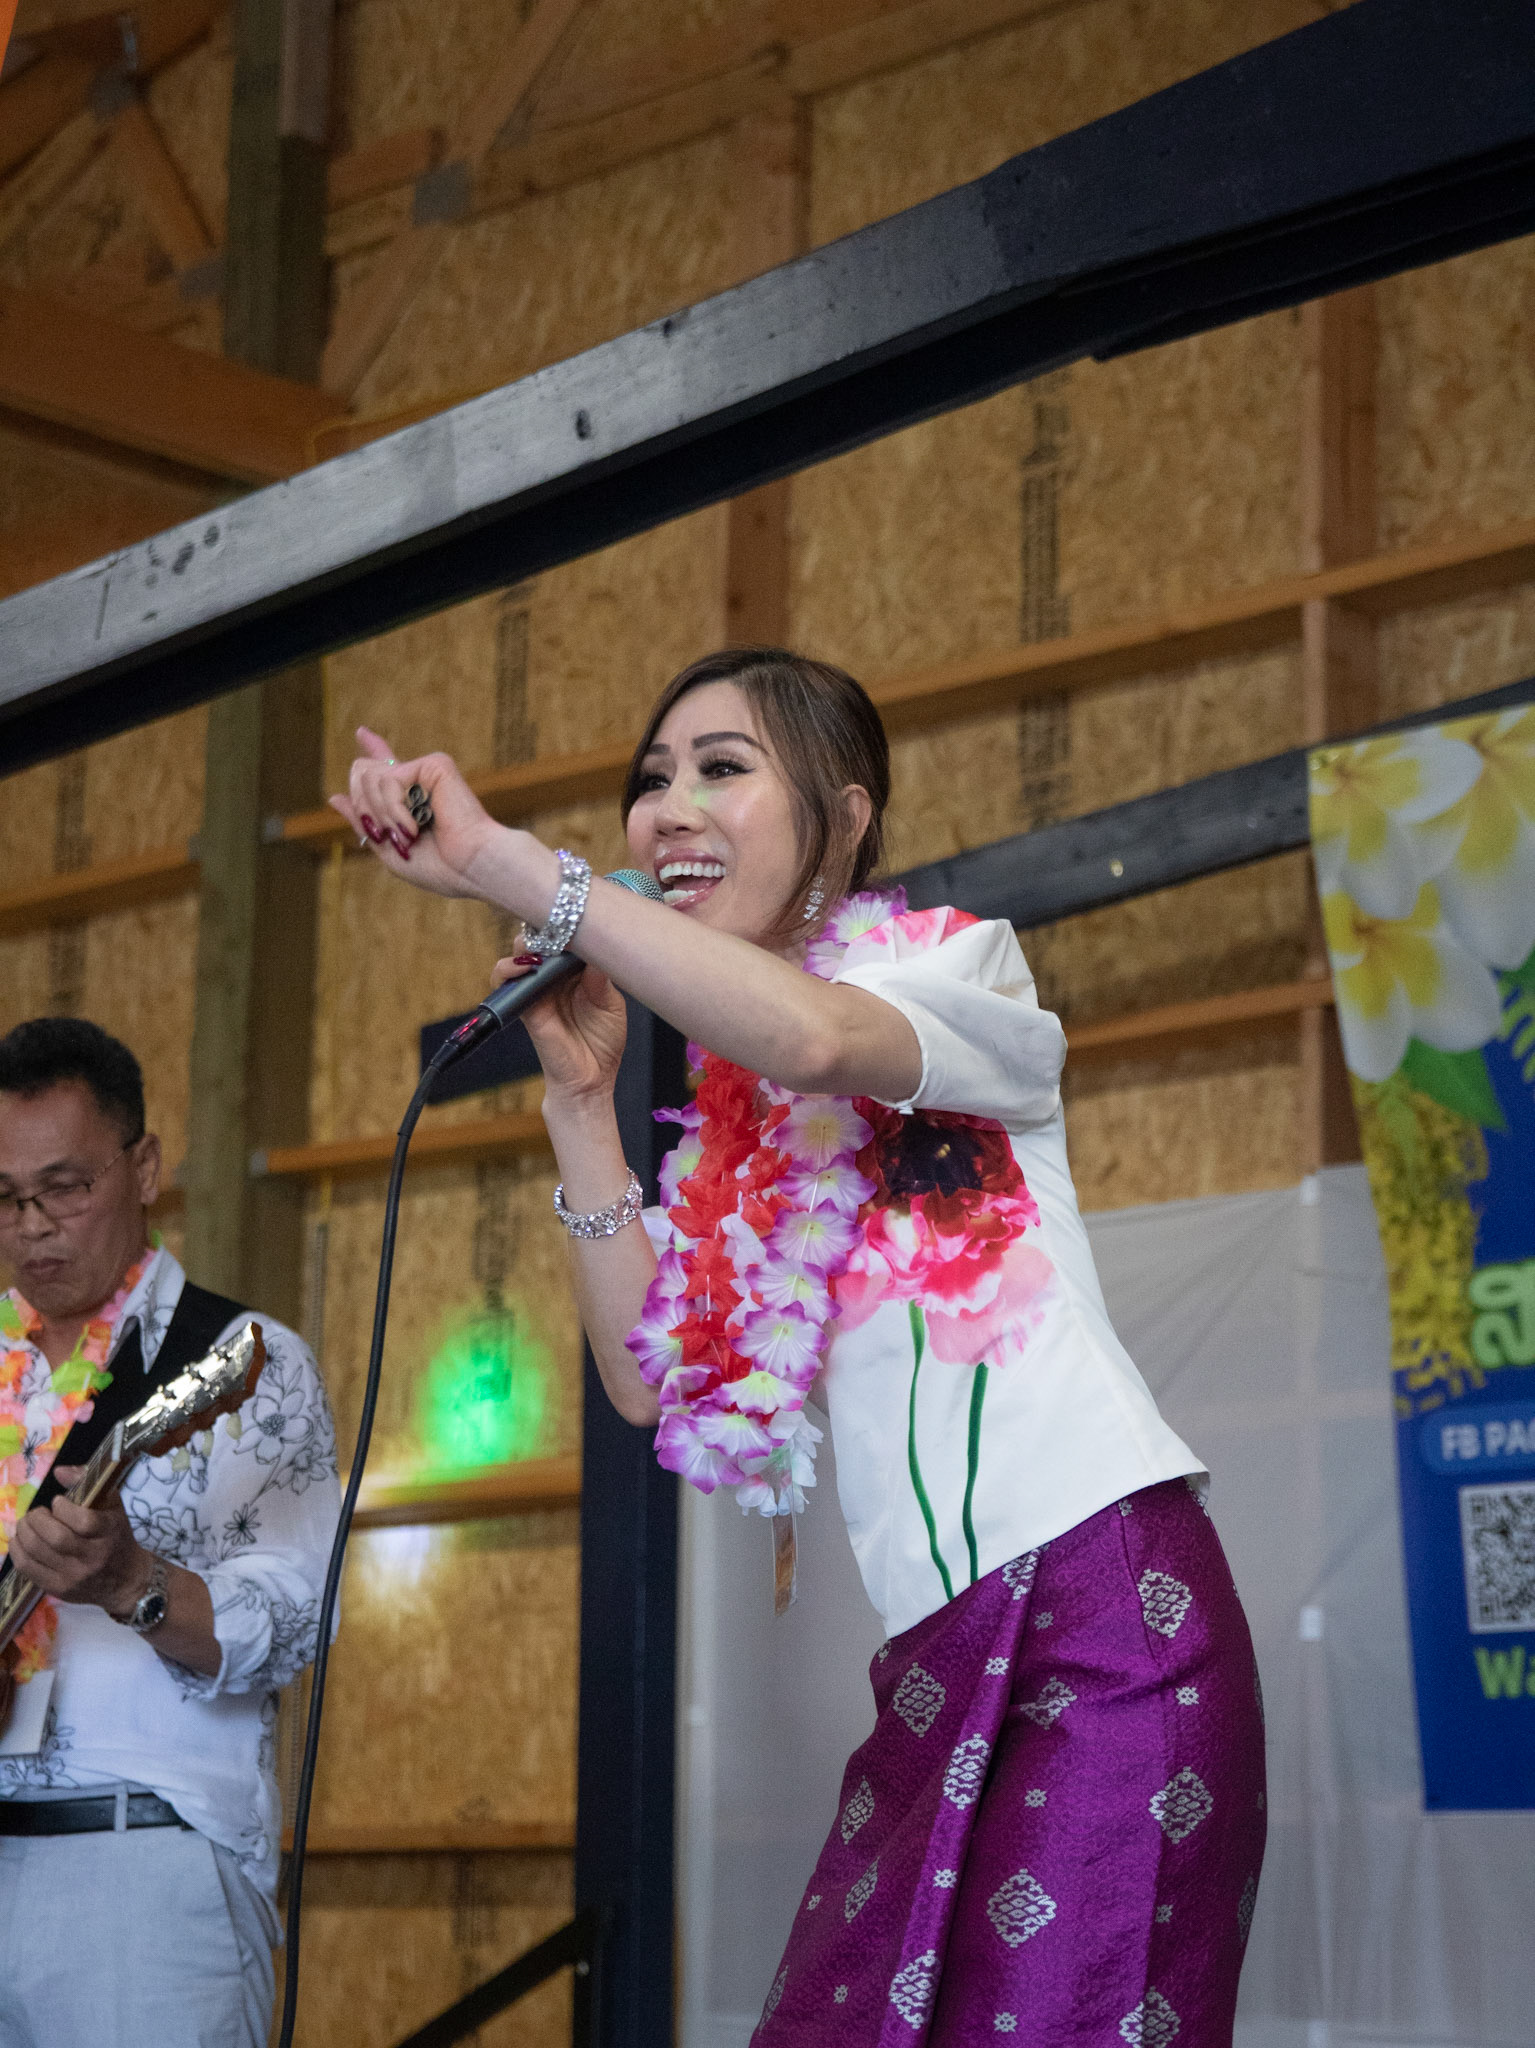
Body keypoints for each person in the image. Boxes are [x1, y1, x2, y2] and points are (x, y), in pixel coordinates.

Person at [336, 647, 1267, 2044]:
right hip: (939, 1641)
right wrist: (580, 1102)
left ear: (843, 817)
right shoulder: (740, 1127)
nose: (668, 807)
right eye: (652, 779)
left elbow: (820, 1038)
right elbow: (646, 1381)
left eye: (721, 768)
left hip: (1101, 1612)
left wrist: (508, 865)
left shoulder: (949, 966)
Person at [0, 1017, 339, 2048]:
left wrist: (130, 1581)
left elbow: (296, 1622)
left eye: (65, 1187)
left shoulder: (244, 1363)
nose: (32, 1226)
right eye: (4, 1198)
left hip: (140, 1864)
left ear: (143, 1167)